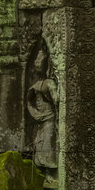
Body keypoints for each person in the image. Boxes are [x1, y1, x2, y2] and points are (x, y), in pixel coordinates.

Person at [27, 40, 58, 173]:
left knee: (48, 146)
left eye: (41, 63)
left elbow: (57, 100)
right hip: (38, 119)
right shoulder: (35, 86)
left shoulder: (49, 83)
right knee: (38, 145)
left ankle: (51, 174)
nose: (37, 65)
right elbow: (28, 102)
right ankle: (43, 175)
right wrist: (34, 113)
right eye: (36, 62)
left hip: (49, 118)